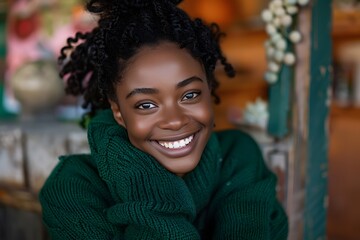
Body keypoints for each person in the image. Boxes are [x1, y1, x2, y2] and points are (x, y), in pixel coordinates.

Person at [39, 0, 288, 239]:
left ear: (209, 92)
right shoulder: (73, 188)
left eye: (190, 95)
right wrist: (137, 175)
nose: (175, 120)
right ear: (118, 112)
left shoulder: (238, 159)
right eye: (146, 105)